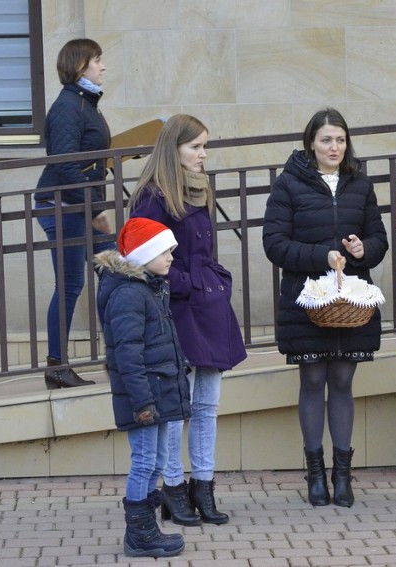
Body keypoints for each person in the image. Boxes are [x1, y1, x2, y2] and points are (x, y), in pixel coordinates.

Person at [262, 108, 389, 508]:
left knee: (344, 382)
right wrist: (323, 254)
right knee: (313, 381)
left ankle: (343, 475)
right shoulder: (288, 185)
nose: (334, 147)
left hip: (350, 300)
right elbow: (274, 244)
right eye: (326, 140)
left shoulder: (360, 185)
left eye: (340, 139)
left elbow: (379, 241)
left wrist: (361, 249)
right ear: (310, 143)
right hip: (307, 301)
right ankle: (315, 473)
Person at [128, 114, 247, 526]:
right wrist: (190, 284)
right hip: (176, 310)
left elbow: (204, 253)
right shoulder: (152, 196)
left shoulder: (199, 189)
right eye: (195, 146)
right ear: (173, 148)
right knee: (177, 407)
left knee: (207, 405)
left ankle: (204, 486)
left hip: (208, 307)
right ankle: (174, 489)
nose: (202, 154)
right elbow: (144, 259)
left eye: (204, 146)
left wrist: (215, 281)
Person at [95, 217, 189, 558]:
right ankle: (139, 534)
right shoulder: (128, 295)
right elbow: (127, 356)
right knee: (145, 461)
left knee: (158, 459)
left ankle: (147, 529)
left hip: (158, 390)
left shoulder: (150, 287)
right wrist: (143, 403)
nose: (170, 258)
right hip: (145, 396)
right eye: (164, 251)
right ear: (142, 254)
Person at [35, 38, 115, 389]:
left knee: (113, 273)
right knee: (71, 286)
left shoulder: (86, 103)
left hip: (80, 203)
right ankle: (56, 366)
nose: (103, 66)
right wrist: (95, 208)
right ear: (81, 65)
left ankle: (119, 355)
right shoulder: (70, 105)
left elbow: (85, 157)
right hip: (64, 205)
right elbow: (64, 163)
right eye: (98, 60)